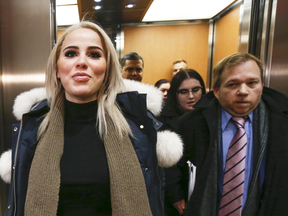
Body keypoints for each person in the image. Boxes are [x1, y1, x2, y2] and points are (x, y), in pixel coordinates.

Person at [0, 21, 184, 216]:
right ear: (56, 69)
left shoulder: (137, 128)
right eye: (71, 53)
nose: (81, 62)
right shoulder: (33, 129)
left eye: (94, 54)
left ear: (107, 70)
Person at [177, 52, 288, 216]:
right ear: (216, 90)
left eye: (252, 83)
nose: (243, 91)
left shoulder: (281, 123)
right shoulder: (191, 123)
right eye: (232, 85)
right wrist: (177, 196)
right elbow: (175, 168)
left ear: (262, 86)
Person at [157, 69, 206, 216]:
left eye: (196, 90)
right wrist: (175, 196)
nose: (191, 96)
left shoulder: (210, 117)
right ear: (175, 94)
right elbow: (166, 165)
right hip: (176, 194)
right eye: (183, 92)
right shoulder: (163, 121)